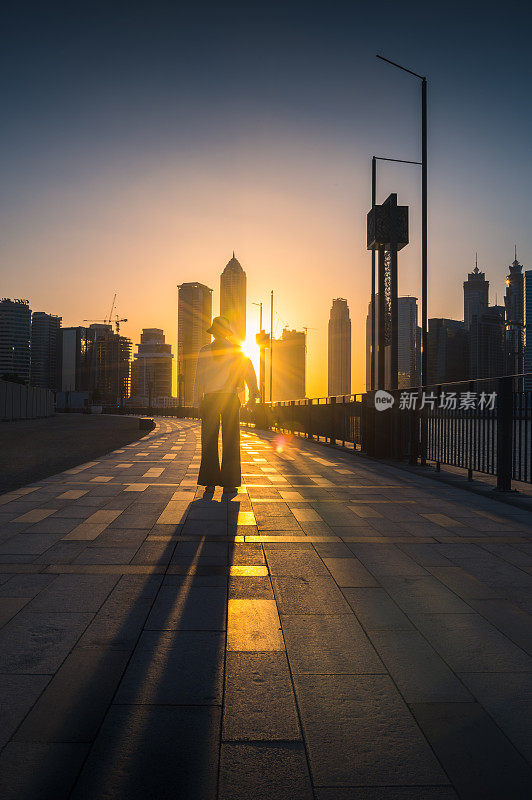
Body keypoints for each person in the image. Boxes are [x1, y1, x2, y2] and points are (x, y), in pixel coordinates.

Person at [193, 316, 260, 490]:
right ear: (227, 333)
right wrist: (254, 392)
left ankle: (209, 480)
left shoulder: (205, 350)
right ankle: (230, 481)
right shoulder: (237, 350)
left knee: (208, 439)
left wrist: (196, 402)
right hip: (230, 398)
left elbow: (199, 378)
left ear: (214, 332)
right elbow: (248, 371)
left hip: (210, 399)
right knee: (231, 439)